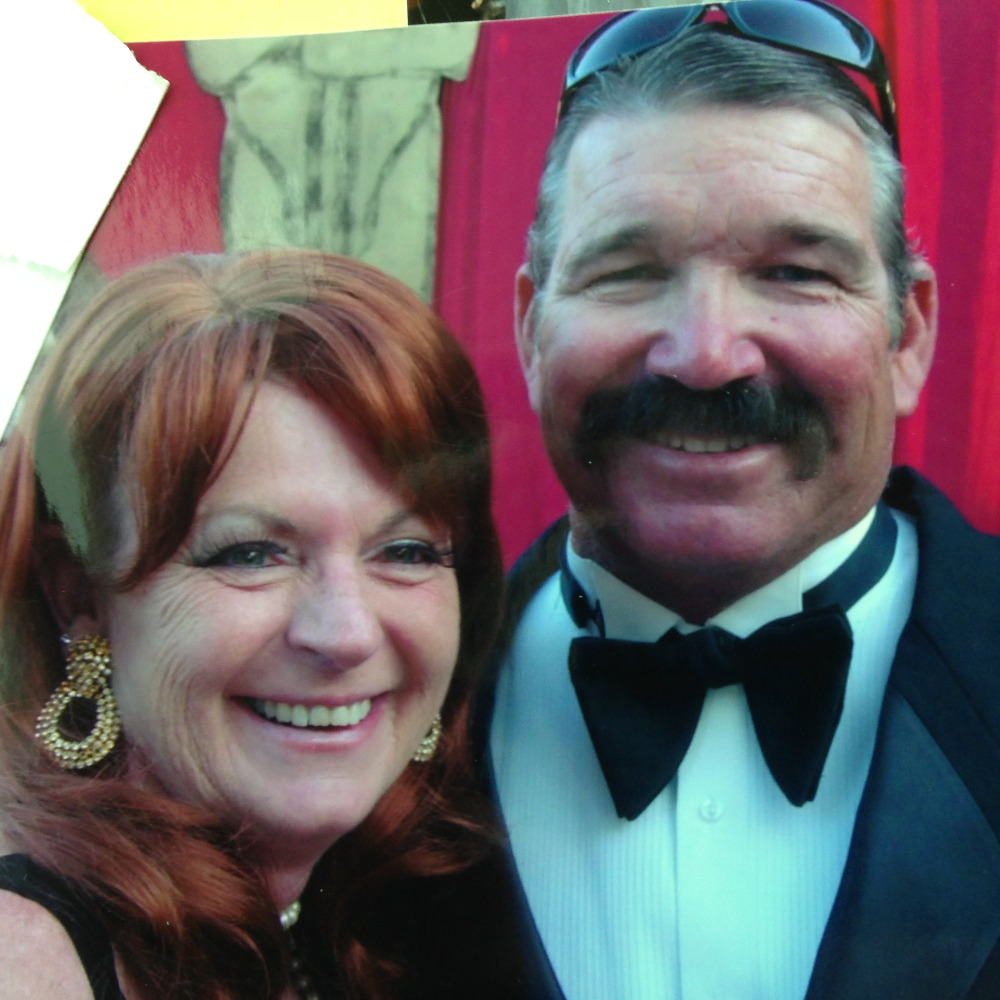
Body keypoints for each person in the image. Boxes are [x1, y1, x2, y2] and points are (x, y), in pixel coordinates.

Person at [483, 3, 1000, 999]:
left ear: (906, 336)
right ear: (531, 329)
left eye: (795, 274)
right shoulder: (374, 716)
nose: (707, 354)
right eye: (628, 272)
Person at [0, 249, 507, 999]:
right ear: (78, 594)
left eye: (406, 551)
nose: (347, 633)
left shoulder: (354, 926)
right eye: (249, 554)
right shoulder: (24, 959)